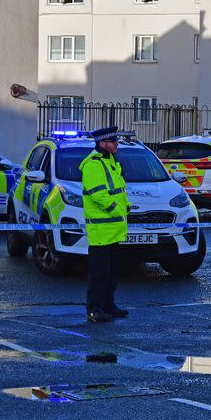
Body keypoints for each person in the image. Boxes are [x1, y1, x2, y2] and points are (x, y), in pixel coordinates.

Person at [79, 126, 130, 323]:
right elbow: (98, 194)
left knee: (111, 272)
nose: (117, 144)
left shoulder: (111, 163)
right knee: (98, 273)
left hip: (115, 229)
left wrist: (127, 207)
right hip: (101, 229)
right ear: (102, 144)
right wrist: (117, 208)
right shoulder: (93, 165)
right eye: (113, 141)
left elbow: (119, 190)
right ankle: (94, 308)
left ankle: (108, 304)